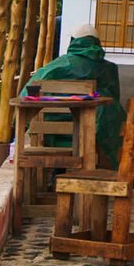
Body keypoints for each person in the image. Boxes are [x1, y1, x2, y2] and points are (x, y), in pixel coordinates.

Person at [23, 25, 125, 169]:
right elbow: (115, 99)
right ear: (97, 42)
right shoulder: (110, 69)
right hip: (93, 134)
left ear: (73, 41)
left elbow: (27, 94)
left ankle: (56, 171)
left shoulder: (57, 65)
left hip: (52, 131)